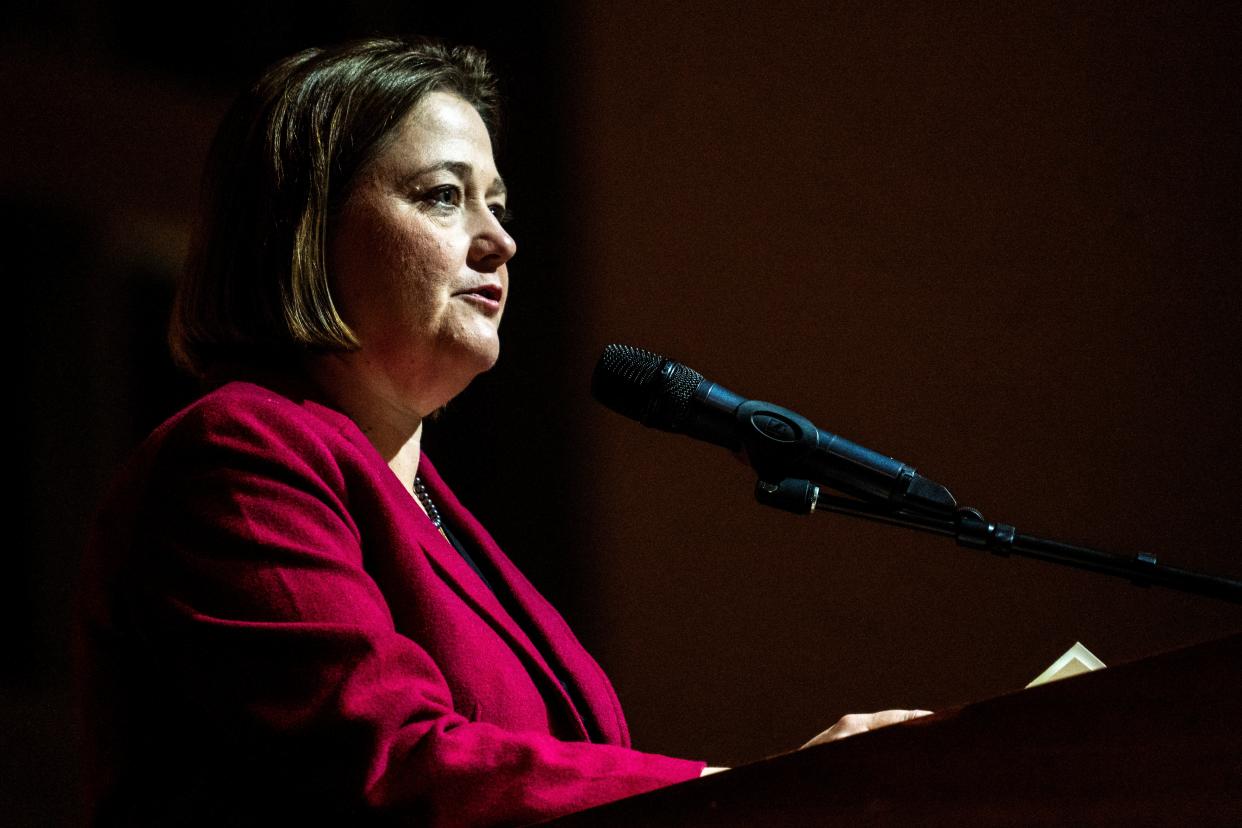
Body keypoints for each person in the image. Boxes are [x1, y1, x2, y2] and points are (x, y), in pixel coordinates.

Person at [77, 37, 927, 827]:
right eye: (444, 197)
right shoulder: (238, 454)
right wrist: (760, 797)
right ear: (303, 228)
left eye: (499, 204)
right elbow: (386, 767)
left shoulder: (431, 509)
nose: (500, 241)